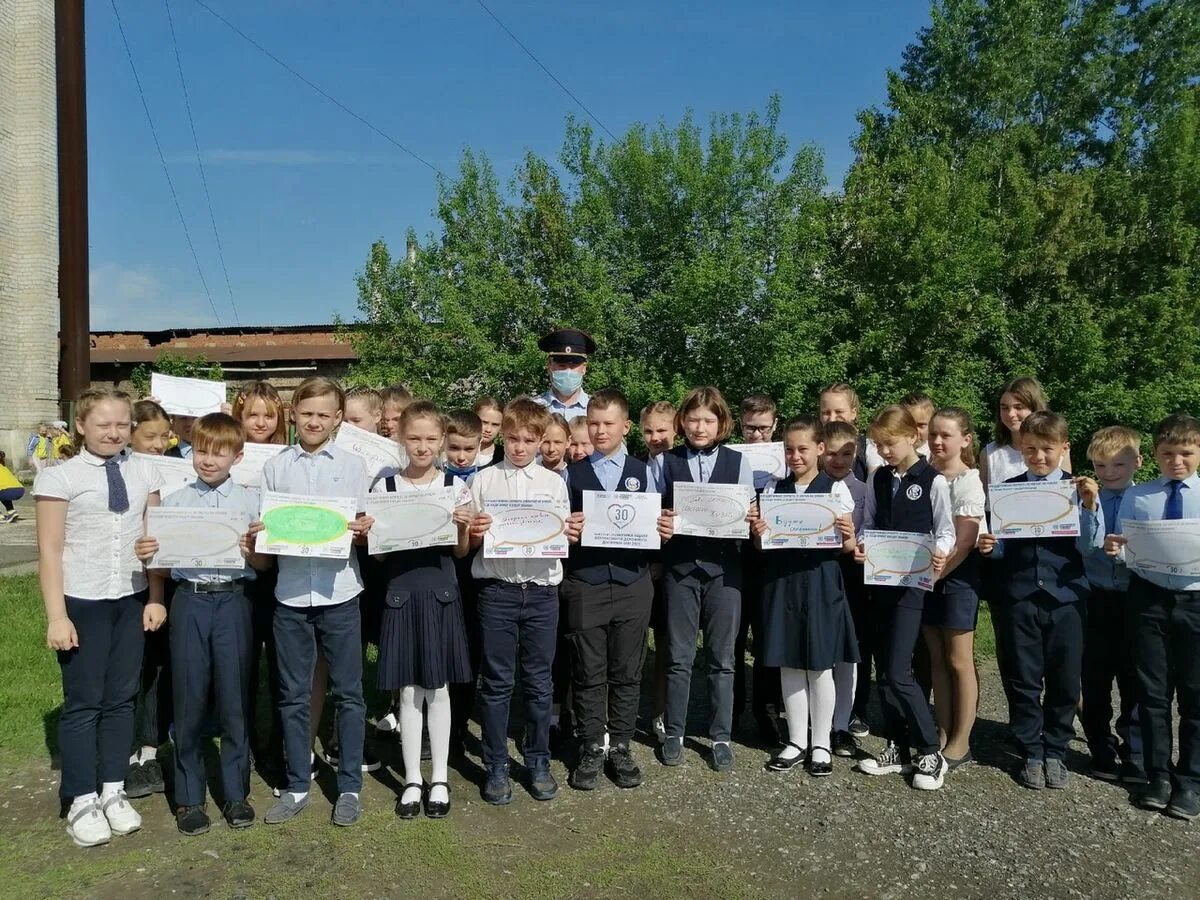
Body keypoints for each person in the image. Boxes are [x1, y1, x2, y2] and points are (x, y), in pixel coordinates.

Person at [33, 388, 166, 847]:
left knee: (122, 698)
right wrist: (57, 616)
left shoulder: (146, 469)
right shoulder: (59, 477)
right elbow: (49, 552)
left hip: (129, 598)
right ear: (82, 427)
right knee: (84, 701)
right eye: (103, 424)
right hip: (83, 601)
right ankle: (80, 796)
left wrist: (155, 596)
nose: (114, 432)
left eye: (122, 424)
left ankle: (112, 787)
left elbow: (154, 538)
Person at [135, 413, 269, 835]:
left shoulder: (252, 503)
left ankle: (235, 794)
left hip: (235, 602)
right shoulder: (173, 504)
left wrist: (252, 551)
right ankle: (189, 799)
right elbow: (159, 565)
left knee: (234, 698)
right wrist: (149, 553)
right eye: (201, 450)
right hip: (189, 602)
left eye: (219, 452)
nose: (208, 460)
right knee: (189, 698)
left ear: (238, 455)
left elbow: (265, 564)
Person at [255, 377, 374, 828]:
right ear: (294, 414)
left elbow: (364, 525)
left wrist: (363, 531)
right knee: (292, 693)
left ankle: (348, 786)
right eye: (307, 413)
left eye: (325, 414)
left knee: (348, 692)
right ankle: (297, 782)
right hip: (290, 595)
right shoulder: (276, 467)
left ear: (339, 419)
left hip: (340, 591)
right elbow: (267, 531)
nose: (315, 421)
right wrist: (258, 535)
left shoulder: (353, 466)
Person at [978, 411, 1102, 791]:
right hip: (1020, 597)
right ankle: (1031, 749)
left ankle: (1056, 750)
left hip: (1066, 598)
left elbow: (1089, 548)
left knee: (1065, 679)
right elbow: (1003, 551)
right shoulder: (1008, 490)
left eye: (1048, 449)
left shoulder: (1078, 490)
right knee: (1024, 678)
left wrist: (1089, 507)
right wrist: (989, 548)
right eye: (1030, 449)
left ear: (1064, 449)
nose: (1039, 457)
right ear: (1021, 449)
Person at [371, 401, 473, 819]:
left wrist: (464, 524)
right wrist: (372, 533)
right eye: (414, 438)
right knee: (409, 690)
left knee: (440, 689)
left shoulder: (455, 486)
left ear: (443, 441)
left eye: (431, 439)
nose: (423, 446)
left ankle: (441, 778)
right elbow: (378, 559)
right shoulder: (385, 488)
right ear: (401, 438)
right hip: (401, 595)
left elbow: (461, 551)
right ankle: (413, 778)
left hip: (441, 594)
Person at [467, 398, 570, 805]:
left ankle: (538, 760)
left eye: (529, 439)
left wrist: (568, 533)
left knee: (540, 682)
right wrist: (475, 531)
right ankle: (495, 765)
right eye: (513, 439)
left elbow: (560, 535)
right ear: (502, 437)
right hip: (498, 592)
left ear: (542, 440)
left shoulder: (554, 484)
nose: (520, 447)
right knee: (495, 683)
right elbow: (471, 541)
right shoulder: (484, 480)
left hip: (542, 592)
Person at [853, 405, 955, 791]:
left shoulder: (934, 481)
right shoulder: (878, 477)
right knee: (884, 670)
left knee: (899, 670)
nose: (884, 451)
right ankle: (898, 746)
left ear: (914, 436)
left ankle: (931, 750)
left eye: (890, 443)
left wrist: (941, 551)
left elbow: (945, 530)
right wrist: (862, 545)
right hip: (878, 582)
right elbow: (869, 526)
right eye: (878, 445)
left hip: (912, 586)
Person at [655, 387, 755, 771]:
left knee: (723, 659)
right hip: (680, 570)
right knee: (679, 657)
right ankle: (675, 732)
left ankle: (720, 736)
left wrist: (751, 514)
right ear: (682, 422)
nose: (700, 427)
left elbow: (747, 511)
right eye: (693, 419)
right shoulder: (667, 461)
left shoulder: (736, 462)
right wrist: (660, 522)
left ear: (721, 423)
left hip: (725, 572)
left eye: (708, 420)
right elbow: (656, 510)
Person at [1106, 414, 1200, 820]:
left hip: (1195, 602)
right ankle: (1158, 775)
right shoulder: (1138, 496)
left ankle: (1191, 780)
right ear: (1155, 455)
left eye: (1186, 453)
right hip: (1148, 600)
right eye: (1168, 453)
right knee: (1153, 692)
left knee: (1195, 695)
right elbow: (1127, 550)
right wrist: (1117, 550)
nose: (1176, 461)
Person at [751, 417, 857, 776]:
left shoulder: (835, 490)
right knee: (788, 663)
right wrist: (758, 532)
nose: (795, 456)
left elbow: (848, 547)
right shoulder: (772, 489)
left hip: (820, 582)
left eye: (803, 449)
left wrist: (848, 534)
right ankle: (796, 740)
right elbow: (761, 546)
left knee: (820, 665)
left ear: (820, 449)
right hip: (782, 582)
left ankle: (822, 743)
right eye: (789, 449)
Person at [561, 389, 655, 790]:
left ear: (625, 427)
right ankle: (589, 747)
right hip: (587, 584)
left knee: (627, 671)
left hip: (634, 583)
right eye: (594, 423)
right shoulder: (572, 471)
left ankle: (620, 745)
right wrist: (568, 528)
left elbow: (656, 523)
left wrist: (663, 527)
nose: (600, 431)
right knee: (587, 670)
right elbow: (559, 526)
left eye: (608, 424)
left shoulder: (644, 470)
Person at [230, 380, 288, 787]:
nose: (261, 422)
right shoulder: (225, 455)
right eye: (253, 414)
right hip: (238, 574)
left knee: (284, 671)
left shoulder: (288, 458)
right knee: (243, 668)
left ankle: (280, 748)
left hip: (282, 571)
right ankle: (244, 748)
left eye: (269, 415)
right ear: (239, 416)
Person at [921, 408, 986, 771]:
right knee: (936, 660)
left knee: (959, 661)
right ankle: (942, 732)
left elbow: (964, 542)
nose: (938, 441)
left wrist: (932, 576)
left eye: (945, 435)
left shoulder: (968, 481)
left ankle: (961, 742)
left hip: (956, 577)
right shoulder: (927, 476)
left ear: (965, 439)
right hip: (926, 574)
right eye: (933, 434)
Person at [1082, 426, 1144, 784]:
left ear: (1137, 461)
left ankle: (1134, 749)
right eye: (1101, 466)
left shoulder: (1148, 500)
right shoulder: (1086, 498)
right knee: (1094, 676)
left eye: (1118, 465)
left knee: (1134, 676)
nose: (1109, 473)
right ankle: (1099, 747)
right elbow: (1079, 545)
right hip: (1094, 596)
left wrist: (1127, 554)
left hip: (1135, 598)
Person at [123, 400, 175, 800]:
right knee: (129, 669)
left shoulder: (175, 466)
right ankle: (122, 748)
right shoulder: (120, 469)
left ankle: (150, 748)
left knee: (158, 665)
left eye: (164, 436)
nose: (159, 444)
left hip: (165, 581)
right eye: (151, 436)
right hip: (124, 583)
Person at [820, 420, 872, 751]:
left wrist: (859, 543)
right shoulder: (811, 488)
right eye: (832, 453)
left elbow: (873, 530)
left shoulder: (866, 491)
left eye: (847, 453)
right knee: (820, 650)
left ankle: (842, 724)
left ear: (856, 453)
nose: (839, 460)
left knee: (848, 653)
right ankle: (818, 724)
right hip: (818, 577)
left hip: (852, 579)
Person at [734, 393, 782, 743]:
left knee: (767, 639)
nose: (757, 436)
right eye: (750, 428)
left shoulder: (785, 460)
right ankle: (732, 711)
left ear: (775, 425)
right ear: (740, 424)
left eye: (764, 429)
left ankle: (767, 712)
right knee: (733, 640)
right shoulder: (730, 459)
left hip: (771, 562)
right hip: (736, 559)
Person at [440, 410, 485, 752]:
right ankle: (434, 724)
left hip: (475, 577)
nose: (461, 456)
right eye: (454, 447)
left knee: (470, 651)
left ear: (480, 445)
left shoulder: (485, 481)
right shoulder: (434, 480)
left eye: (468, 449)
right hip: (440, 572)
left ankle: (458, 724)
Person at [639, 401, 676, 744]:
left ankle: (662, 712)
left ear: (675, 430)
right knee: (635, 642)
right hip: (641, 564)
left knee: (666, 642)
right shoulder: (636, 468)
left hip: (672, 564)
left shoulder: (683, 468)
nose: (655, 437)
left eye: (662, 430)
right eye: (649, 431)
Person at [819, 383, 883, 478]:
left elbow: (875, 486)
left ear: (853, 413)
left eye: (839, 412)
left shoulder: (869, 448)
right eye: (826, 413)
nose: (832, 419)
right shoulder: (808, 447)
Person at [535, 328, 595, 421]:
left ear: (584, 368)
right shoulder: (534, 408)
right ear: (549, 366)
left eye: (574, 365)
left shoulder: (596, 409)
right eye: (561, 365)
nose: (568, 371)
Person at [231, 381, 289, 445]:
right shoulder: (225, 452)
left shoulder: (287, 454)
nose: (260, 424)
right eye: (253, 415)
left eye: (268, 416)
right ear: (240, 416)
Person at [900, 392, 934, 457]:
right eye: (909, 424)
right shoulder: (885, 452)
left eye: (921, 426)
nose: (915, 431)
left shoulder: (937, 455)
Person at [474, 397, 504, 468]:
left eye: (495, 425)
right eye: (484, 422)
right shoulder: (454, 450)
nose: (488, 429)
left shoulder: (504, 457)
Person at [0, 450, 25, 523]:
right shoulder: (2, 465)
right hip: (20, 490)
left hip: (8, 491)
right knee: (3, 490)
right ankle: (11, 511)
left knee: (3, 490)